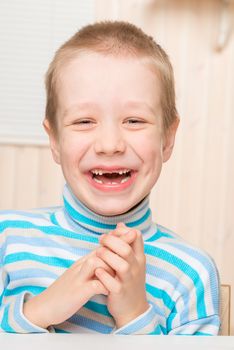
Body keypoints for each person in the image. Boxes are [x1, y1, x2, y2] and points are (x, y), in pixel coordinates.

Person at [0, 21, 220, 335]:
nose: (109, 145)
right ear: (55, 141)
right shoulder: (7, 239)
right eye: (84, 120)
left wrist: (134, 314)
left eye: (134, 120)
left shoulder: (191, 273)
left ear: (168, 139)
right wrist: (38, 311)